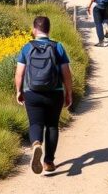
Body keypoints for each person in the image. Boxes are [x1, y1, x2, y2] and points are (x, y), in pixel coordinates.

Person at [15, 16, 74, 175]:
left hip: (32, 93)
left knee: (35, 124)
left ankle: (36, 144)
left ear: (34, 30)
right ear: (49, 29)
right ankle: (48, 162)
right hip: (54, 93)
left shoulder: (27, 48)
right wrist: (68, 92)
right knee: (52, 125)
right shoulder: (58, 47)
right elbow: (66, 73)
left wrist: (19, 91)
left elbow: (19, 73)